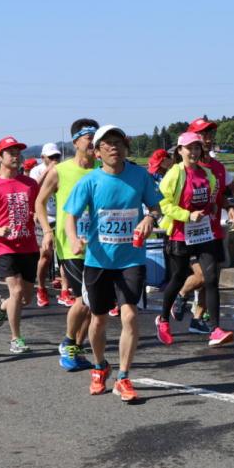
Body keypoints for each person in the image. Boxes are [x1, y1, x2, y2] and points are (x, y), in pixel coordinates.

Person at [64, 125, 162, 402]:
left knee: (129, 315)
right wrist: (73, 240)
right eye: (106, 144)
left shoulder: (139, 176)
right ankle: (99, 366)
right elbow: (70, 215)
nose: (113, 147)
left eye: (118, 142)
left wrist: (149, 219)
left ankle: (123, 377)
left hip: (131, 258)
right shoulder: (90, 181)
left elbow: (156, 207)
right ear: (97, 152)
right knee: (98, 320)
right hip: (98, 260)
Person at [155, 131, 234, 346]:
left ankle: (215, 329)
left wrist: (213, 206)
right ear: (180, 151)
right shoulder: (174, 174)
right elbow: (161, 203)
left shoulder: (206, 174)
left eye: (197, 148)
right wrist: (187, 215)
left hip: (203, 232)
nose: (194, 151)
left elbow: (209, 198)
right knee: (179, 277)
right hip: (180, 233)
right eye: (189, 148)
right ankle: (163, 319)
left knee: (211, 278)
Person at [169, 118, 234, 333]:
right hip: (185, 233)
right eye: (203, 135)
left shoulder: (216, 167)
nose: (208, 140)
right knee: (203, 277)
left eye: (210, 135)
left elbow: (231, 190)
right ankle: (180, 296)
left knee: (212, 278)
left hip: (211, 232)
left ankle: (198, 320)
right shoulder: (183, 168)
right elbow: (166, 201)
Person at [37, 119, 98, 371]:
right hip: (70, 245)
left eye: (97, 137)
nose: (94, 143)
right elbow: (39, 202)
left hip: (100, 245)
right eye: (89, 138)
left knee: (96, 304)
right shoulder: (60, 171)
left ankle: (76, 348)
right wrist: (48, 231)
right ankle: (69, 341)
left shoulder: (103, 170)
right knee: (87, 299)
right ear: (76, 142)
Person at [0, 137, 42, 354]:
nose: (16, 156)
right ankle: (16, 338)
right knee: (16, 291)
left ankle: (2, 306)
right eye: (10, 152)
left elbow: (39, 209)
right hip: (4, 246)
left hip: (29, 244)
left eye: (17, 152)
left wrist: (40, 221)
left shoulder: (30, 184)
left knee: (25, 297)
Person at [31, 142, 63, 307]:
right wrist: (48, 171)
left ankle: (65, 290)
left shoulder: (63, 169)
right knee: (45, 255)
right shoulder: (36, 170)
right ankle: (41, 288)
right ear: (43, 157)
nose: (55, 160)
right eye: (51, 157)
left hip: (61, 216)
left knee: (64, 256)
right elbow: (33, 188)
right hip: (45, 217)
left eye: (57, 157)